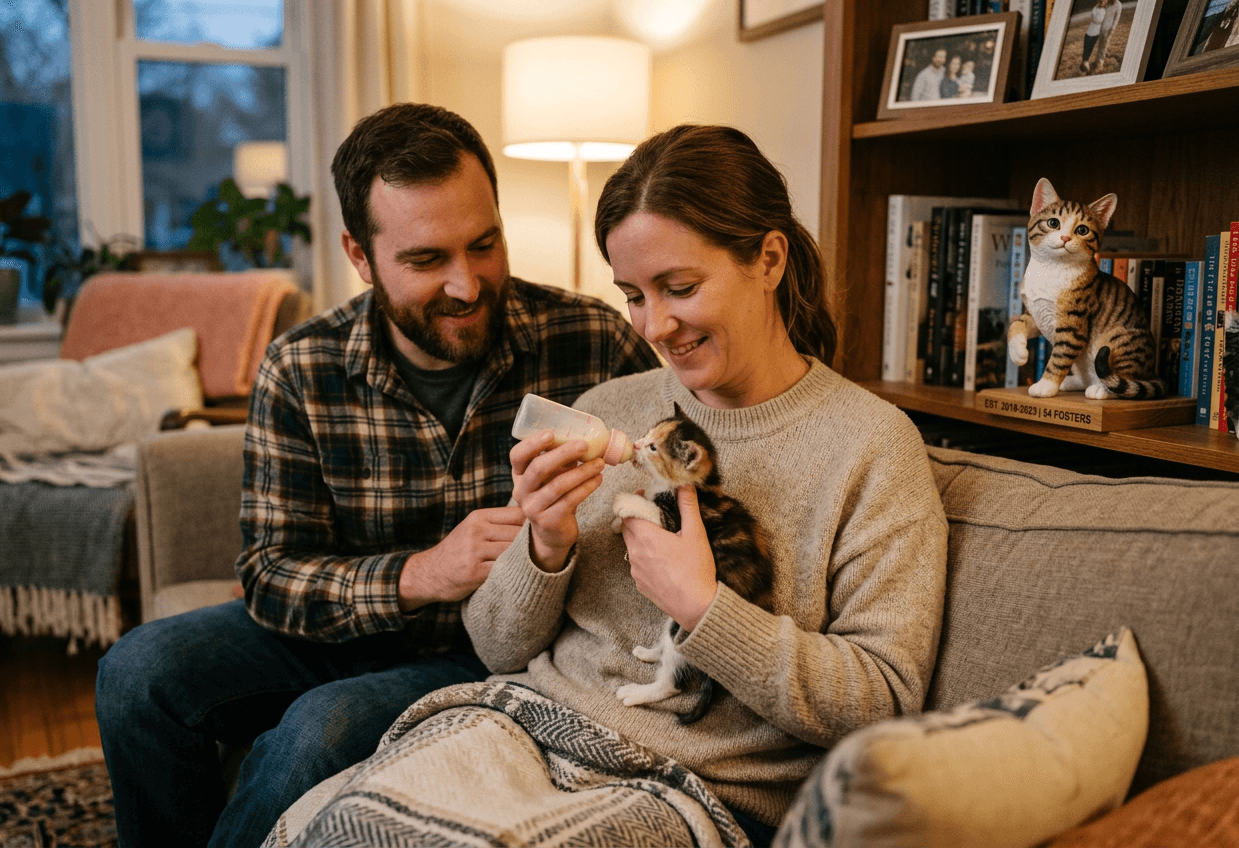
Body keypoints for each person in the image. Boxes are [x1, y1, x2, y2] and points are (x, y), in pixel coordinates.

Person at [270, 124, 949, 848]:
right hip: (522, 731)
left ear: (769, 259)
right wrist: (546, 544)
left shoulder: (870, 447)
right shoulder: (610, 407)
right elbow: (495, 648)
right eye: (633, 295)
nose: (655, 325)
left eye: (680, 288)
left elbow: (884, 701)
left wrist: (705, 608)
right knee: (330, 831)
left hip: (688, 787)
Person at [93, 102, 660, 848]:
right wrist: (423, 573)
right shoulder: (301, 367)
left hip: (499, 652)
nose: (467, 285)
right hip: (350, 629)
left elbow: (664, 478)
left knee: (317, 730)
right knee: (136, 672)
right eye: (426, 261)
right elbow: (269, 574)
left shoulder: (592, 340)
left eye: (484, 245)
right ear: (360, 256)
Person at [1081, 0, 1109, 74]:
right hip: (1089, 31)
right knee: (1086, 46)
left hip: (1096, 32)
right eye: (1101, 2)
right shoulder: (1096, 8)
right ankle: (1084, 64)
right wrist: (1096, 19)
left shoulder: (1104, 10)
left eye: (1103, 2)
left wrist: (1096, 19)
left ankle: (1086, 65)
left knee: (1090, 47)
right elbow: (1093, 17)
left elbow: (1099, 20)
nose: (1102, 3)